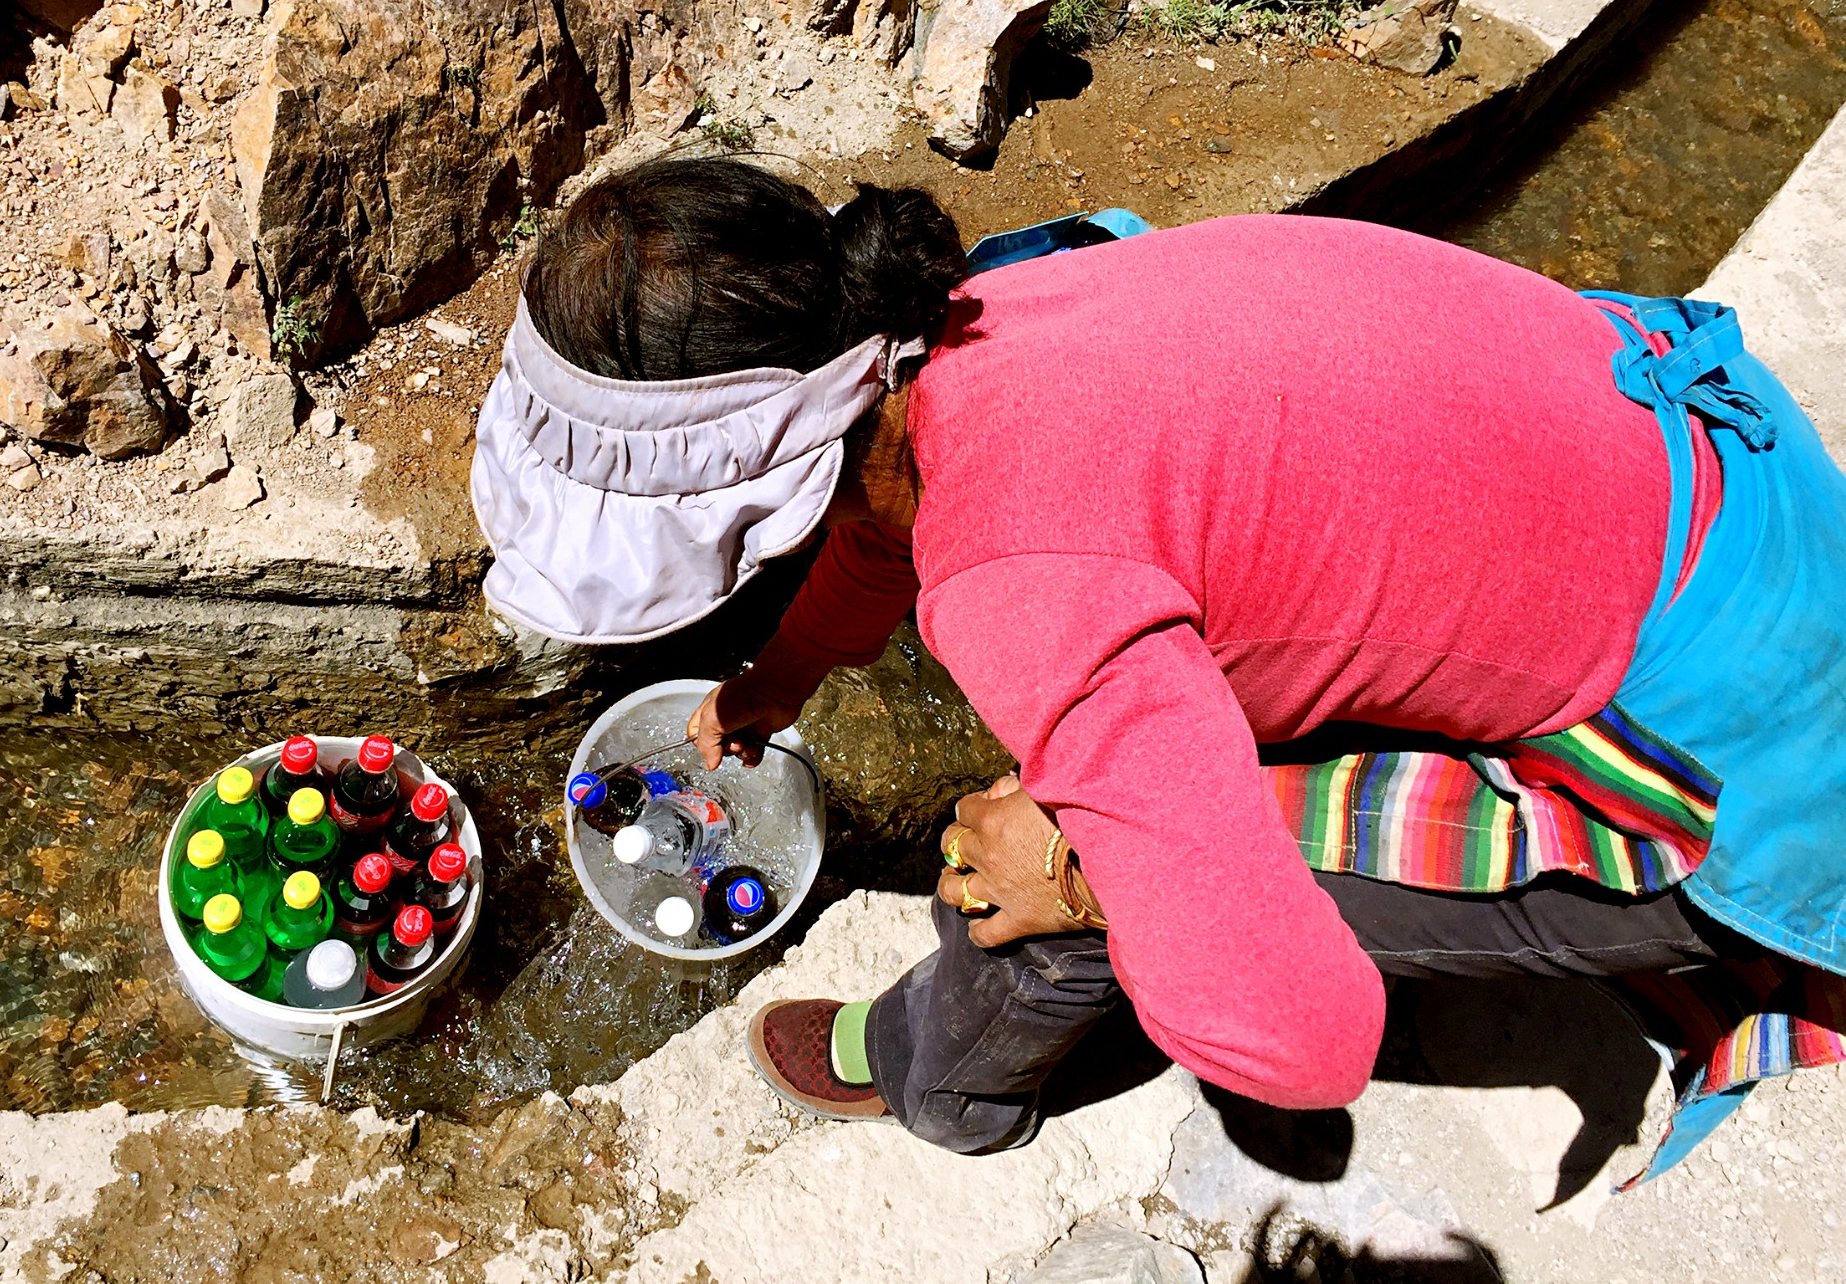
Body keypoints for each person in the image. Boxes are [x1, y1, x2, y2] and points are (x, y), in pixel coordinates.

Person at [470, 157, 1846, 1178]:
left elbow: (1310, 1042)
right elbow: (882, 514)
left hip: (1747, 755)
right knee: (1110, 787)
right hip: (1721, 480)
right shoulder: (990, 304)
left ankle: (945, 1084)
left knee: (1029, 875)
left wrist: (1078, 862)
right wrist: (784, 678)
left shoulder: (1027, 592)